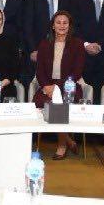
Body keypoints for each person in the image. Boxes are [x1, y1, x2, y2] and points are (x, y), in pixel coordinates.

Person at [33, 9, 86, 155]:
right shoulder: (44, 44)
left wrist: (56, 88)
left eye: (65, 23)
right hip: (48, 86)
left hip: (68, 86)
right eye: (58, 22)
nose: (62, 26)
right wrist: (46, 86)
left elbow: (77, 72)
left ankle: (62, 145)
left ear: (69, 26)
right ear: (53, 25)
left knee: (61, 105)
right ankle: (68, 140)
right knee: (42, 102)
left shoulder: (77, 44)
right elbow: (39, 71)